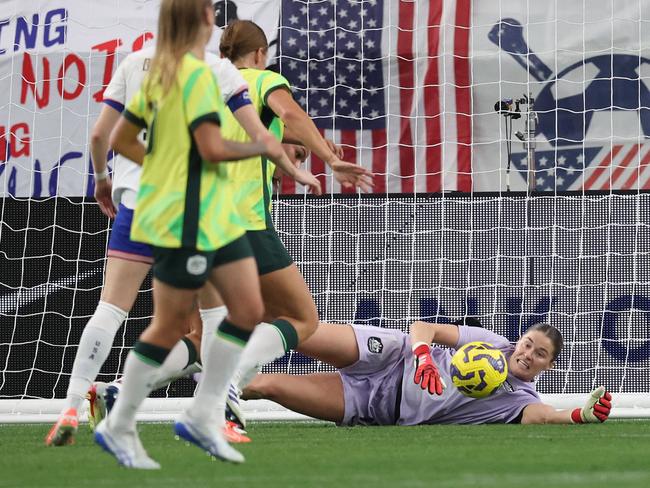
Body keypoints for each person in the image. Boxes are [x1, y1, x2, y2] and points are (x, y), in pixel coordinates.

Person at [45, 10, 319, 449]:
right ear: (204, 25)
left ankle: (72, 407)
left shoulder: (137, 63)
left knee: (112, 311)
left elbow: (102, 137)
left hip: (139, 204)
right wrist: (294, 169)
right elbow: (262, 138)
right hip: (194, 211)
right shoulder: (217, 71)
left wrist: (102, 180)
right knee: (216, 318)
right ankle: (214, 415)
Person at [213, 19, 373, 407]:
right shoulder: (263, 79)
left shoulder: (205, 85)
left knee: (219, 326)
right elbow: (290, 115)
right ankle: (229, 382)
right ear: (260, 55)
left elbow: (261, 130)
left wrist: (306, 143)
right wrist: (329, 158)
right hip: (243, 220)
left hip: (195, 220)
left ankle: (117, 390)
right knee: (303, 319)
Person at [242, 321, 613, 426]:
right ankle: (212, 335)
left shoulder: (520, 401)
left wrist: (581, 414)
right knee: (300, 331)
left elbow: (544, 416)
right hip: (390, 355)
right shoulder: (492, 343)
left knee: (264, 386)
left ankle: (206, 379)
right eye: (528, 344)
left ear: (547, 366)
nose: (528, 354)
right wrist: (423, 358)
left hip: (377, 406)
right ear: (519, 341)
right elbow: (424, 327)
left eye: (540, 354)